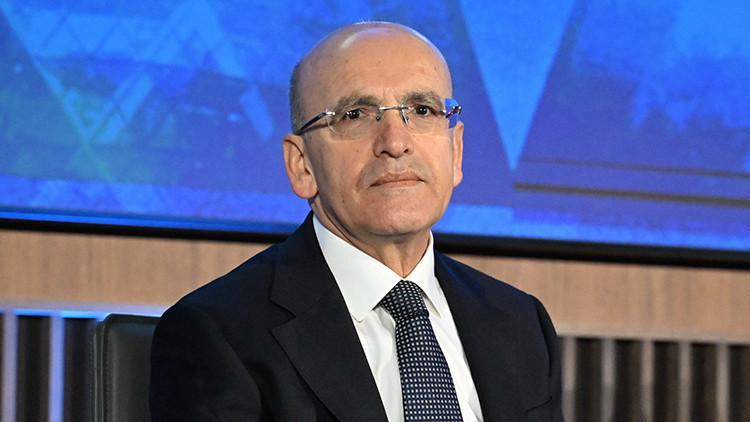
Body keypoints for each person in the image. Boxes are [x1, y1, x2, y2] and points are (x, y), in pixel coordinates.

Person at [150, 21, 563, 421]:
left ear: (455, 152)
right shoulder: (219, 333)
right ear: (302, 165)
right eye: (355, 115)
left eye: (421, 110)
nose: (396, 142)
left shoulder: (520, 323)